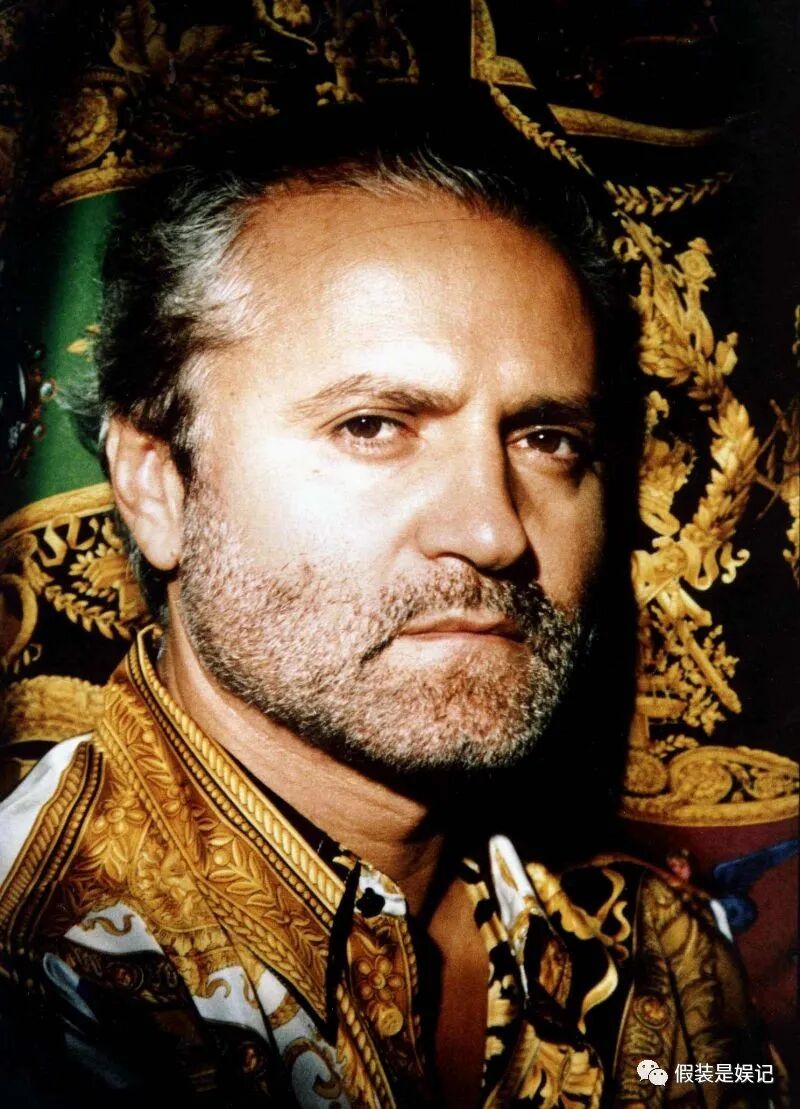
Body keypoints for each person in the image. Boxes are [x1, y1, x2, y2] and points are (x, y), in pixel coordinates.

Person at [0, 88, 778, 1107]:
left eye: (546, 438)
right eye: (373, 426)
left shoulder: (655, 955)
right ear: (159, 486)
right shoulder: (42, 988)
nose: (494, 531)